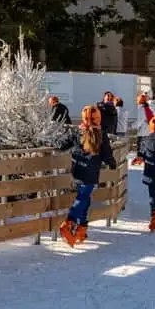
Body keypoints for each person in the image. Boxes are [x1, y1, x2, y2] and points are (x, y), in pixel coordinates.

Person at [58, 105, 117, 247]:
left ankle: (82, 228)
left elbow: (63, 145)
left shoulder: (78, 132)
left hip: (78, 169)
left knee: (85, 198)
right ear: (98, 119)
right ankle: (69, 222)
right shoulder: (101, 134)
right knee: (83, 197)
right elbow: (106, 154)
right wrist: (112, 163)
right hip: (91, 172)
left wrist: (53, 144)